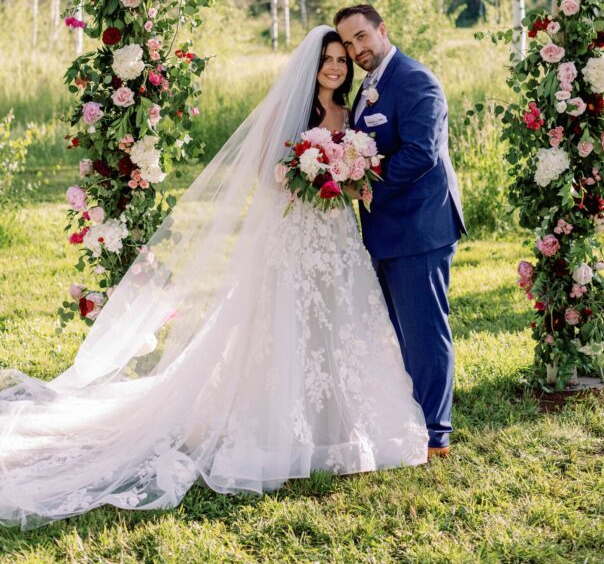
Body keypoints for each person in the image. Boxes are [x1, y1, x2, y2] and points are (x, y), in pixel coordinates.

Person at [0, 26, 427, 531]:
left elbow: (360, 162)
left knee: (338, 324)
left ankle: (334, 426)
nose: (336, 67)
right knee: (283, 325)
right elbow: (267, 171)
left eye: (342, 60)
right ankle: (278, 427)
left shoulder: (349, 110)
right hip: (294, 236)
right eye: (328, 59)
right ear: (312, 65)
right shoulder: (292, 108)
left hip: (335, 236)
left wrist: (345, 174)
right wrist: (308, 175)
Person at [335, 5, 466, 459]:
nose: (356, 50)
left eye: (361, 37)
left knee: (425, 331)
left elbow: (421, 153)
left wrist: (361, 178)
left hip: (419, 226)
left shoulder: (414, 79)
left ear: (382, 29)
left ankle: (436, 434)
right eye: (348, 44)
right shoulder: (368, 86)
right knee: (398, 332)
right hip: (384, 228)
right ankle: (411, 421)